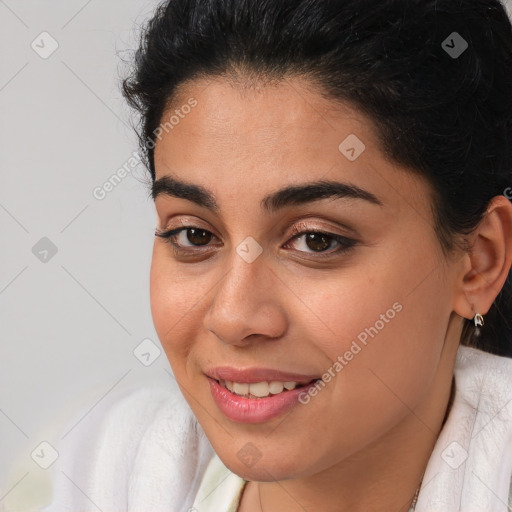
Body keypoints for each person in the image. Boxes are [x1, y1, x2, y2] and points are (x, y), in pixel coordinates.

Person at [34, 0, 512, 511]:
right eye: (195, 235)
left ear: (478, 263)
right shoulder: (93, 471)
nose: (235, 318)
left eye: (316, 240)